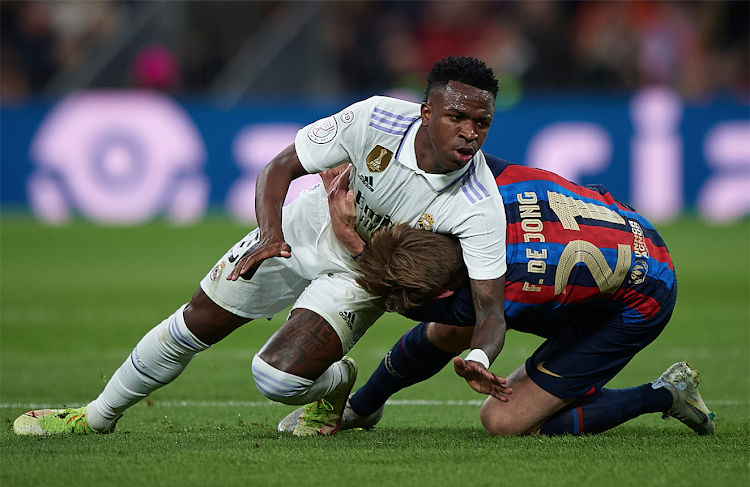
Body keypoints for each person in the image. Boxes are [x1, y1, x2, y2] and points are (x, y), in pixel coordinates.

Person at [14, 56, 512, 437]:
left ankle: (336, 383)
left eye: (482, 123)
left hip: (362, 275)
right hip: (299, 231)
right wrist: (271, 234)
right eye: (457, 117)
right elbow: (278, 168)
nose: (470, 133)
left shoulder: (478, 203)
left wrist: (482, 360)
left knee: (275, 380)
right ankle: (95, 418)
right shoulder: (377, 118)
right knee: (195, 322)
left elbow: (490, 309)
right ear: (427, 112)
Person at [280, 154, 715, 437]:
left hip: (641, 299)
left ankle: (667, 393)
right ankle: (361, 410)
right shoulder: (484, 186)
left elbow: (421, 306)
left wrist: (352, 243)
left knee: (504, 421)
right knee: (453, 330)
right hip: (625, 227)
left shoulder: (504, 287)